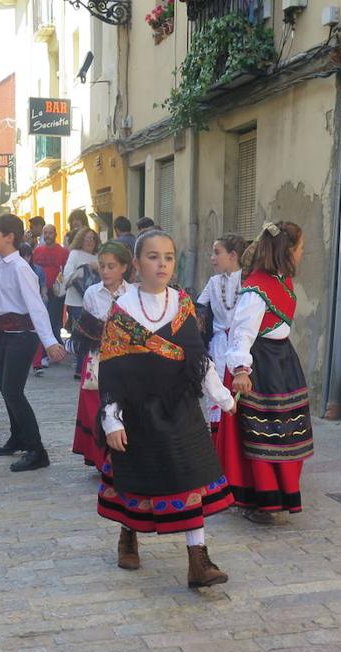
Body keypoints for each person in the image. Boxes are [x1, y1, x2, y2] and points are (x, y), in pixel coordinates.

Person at [96, 229, 235, 588]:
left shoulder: (184, 304)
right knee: (137, 477)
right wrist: (112, 419)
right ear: (137, 264)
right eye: (153, 256)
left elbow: (196, 356)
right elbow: (110, 369)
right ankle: (129, 535)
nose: (162, 264)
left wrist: (218, 393)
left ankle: (198, 560)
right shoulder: (122, 310)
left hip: (181, 406)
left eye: (169, 257)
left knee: (188, 476)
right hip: (137, 409)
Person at [215, 221, 314, 525]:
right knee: (263, 432)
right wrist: (242, 370)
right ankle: (260, 499)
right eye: (300, 248)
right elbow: (242, 332)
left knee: (286, 430)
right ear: (288, 251)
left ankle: (280, 495)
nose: (302, 253)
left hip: (282, 360)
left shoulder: (281, 280)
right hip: (260, 364)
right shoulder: (257, 287)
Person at [0, 214, 65, 470]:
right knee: (6, 387)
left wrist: (50, 342)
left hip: (22, 336)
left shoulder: (21, 268)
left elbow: (36, 306)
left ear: (9, 237)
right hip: (7, 335)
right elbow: (3, 297)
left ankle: (37, 450)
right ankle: (18, 436)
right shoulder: (2, 264)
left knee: (13, 391)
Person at [71, 240, 130, 471]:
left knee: (123, 405)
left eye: (111, 266)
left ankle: (121, 454)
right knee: (95, 405)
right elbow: (84, 330)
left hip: (125, 358)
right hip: (96, 358)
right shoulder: (91, 293)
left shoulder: (134, 293)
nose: (105, 271)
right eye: (102, 266)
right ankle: (100, 458)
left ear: (124, 268)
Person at [195, 233, 248, 430]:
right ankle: (218, 437)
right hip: (218, 344)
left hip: (241, 345)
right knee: (216, 389)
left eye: (217, 253)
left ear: (233, 255)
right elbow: (199, 306)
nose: (212, 257)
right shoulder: (214, 282)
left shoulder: (248, 280)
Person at [60, 227, 101, 378]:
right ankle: (80, 369)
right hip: (76, 302)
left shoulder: (98, 256)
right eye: (87, 238)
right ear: (80, 239)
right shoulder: (74, 254)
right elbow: (67, 277)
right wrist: (83, 269)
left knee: (91, 335)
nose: (90, 241)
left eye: (92, 238)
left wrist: (99, 268)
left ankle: (83, 368)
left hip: (94, 303)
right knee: (81, 335)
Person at [32, 224, 69, 374]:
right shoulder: (37, 251)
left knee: (54, 323)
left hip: (56, 292)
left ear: (55, 234)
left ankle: (54, 350)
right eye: (45, 233)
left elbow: (66, 270)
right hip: (40, 292)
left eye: (50, 233)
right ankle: (46, 353)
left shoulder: (63, 251)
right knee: (42, 322)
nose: (47, 235)